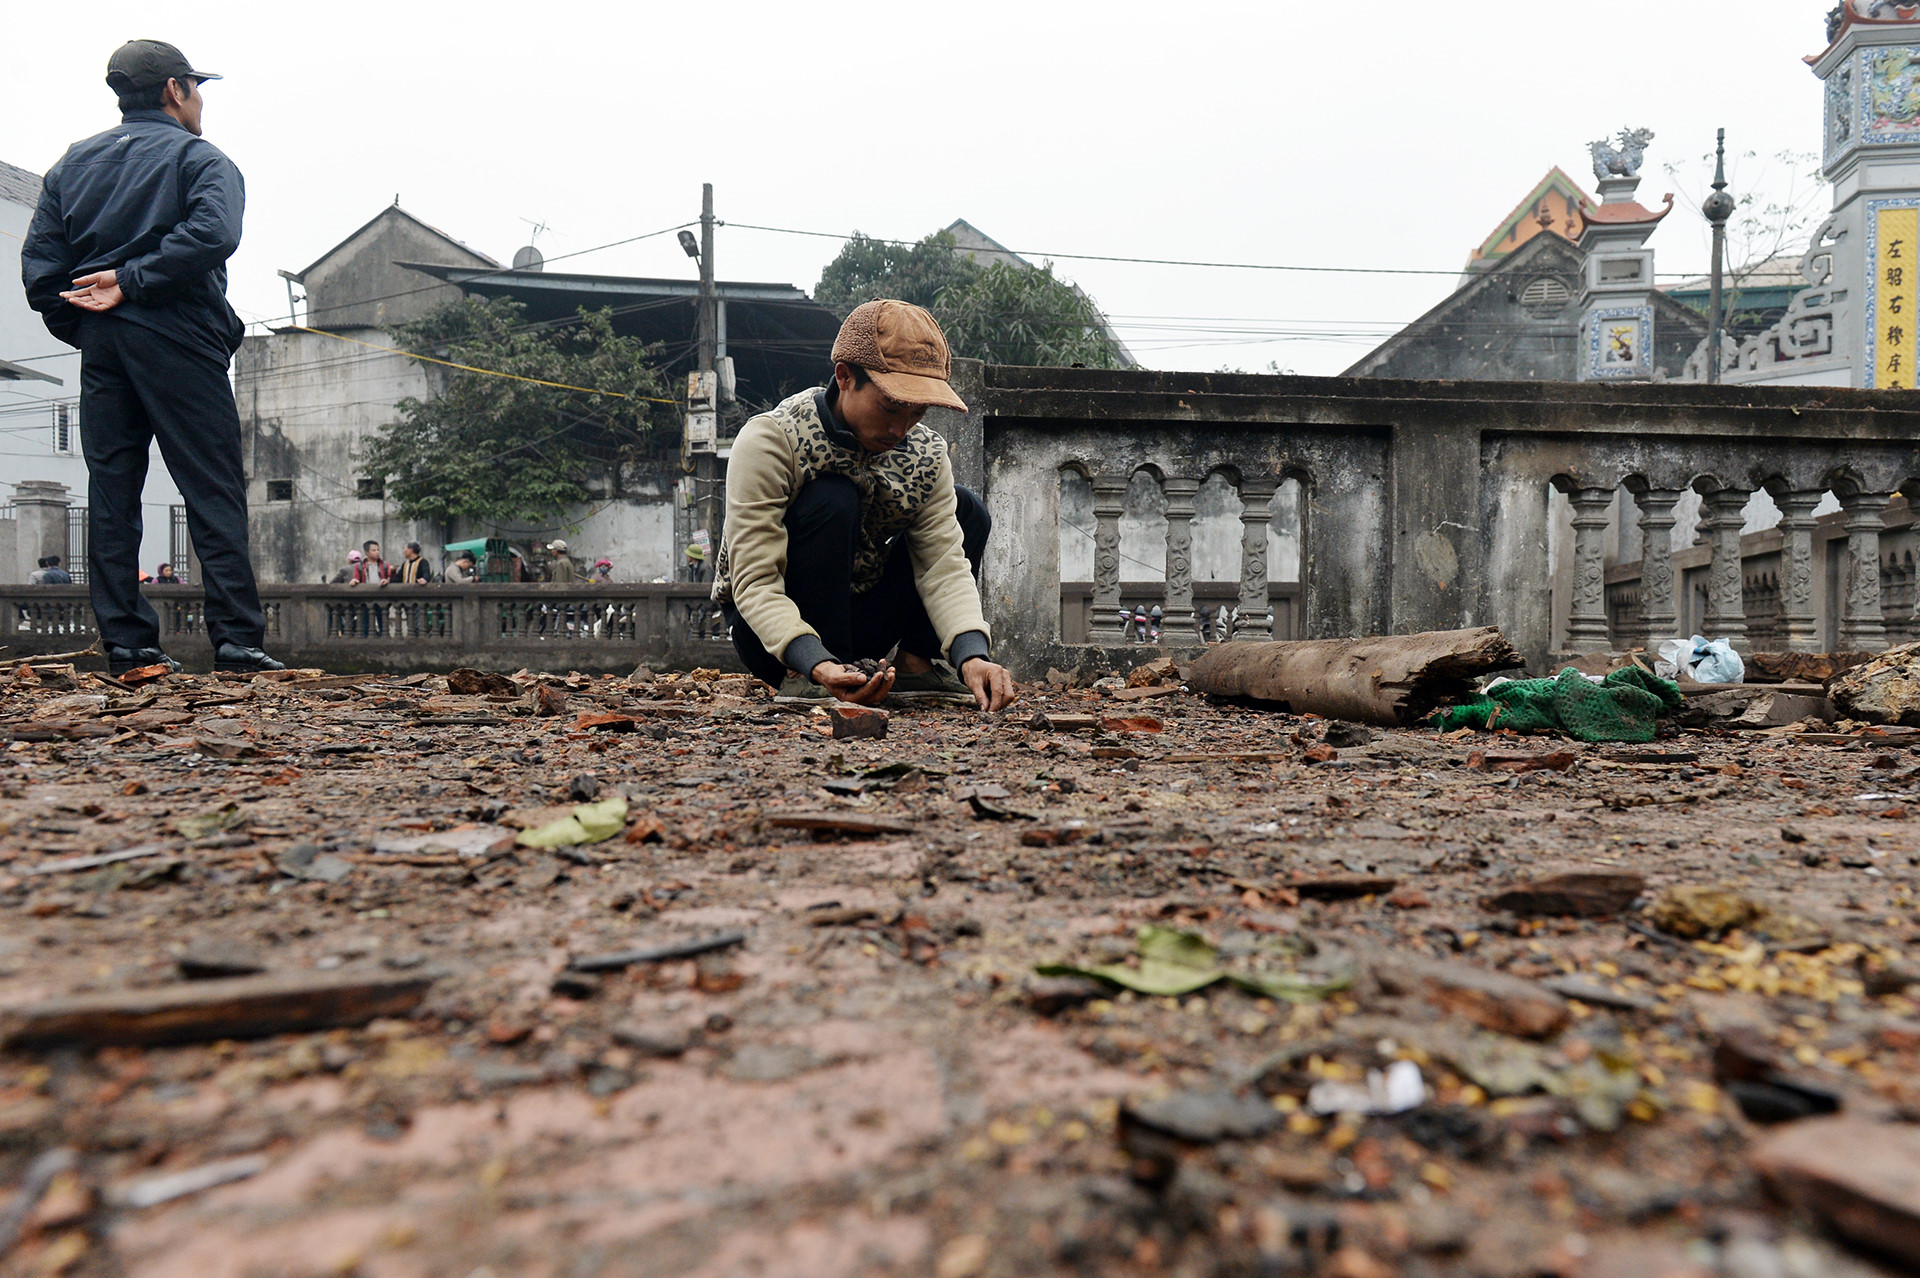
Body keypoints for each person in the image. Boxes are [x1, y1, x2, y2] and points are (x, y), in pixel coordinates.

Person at [20, 40, 282, 676]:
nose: (200, 100)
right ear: (174, 89)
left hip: (104, 340)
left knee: (113, 491)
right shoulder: (201, 159)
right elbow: (214, 234)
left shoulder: (69, 167)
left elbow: (41, 275)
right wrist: (135, 285)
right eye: (196, 87)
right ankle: (237, 642)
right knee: (211, 486)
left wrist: (89, 325)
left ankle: (129, 644)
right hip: (180, 332)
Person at [713, 299, 1017, 711]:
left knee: (968, 510)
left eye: (916, 412)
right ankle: (805, 676)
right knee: (833, 497)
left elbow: (943, 565)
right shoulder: (773, 440)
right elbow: (755, 581)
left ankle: (916, 665)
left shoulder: (926, 454)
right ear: (845, 376)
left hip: (860, 623)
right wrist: (815, 663)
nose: (900, 428)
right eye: (890, 407)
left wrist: (972, 654)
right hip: (773, 638)